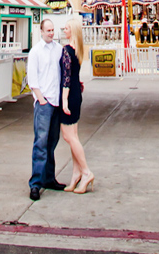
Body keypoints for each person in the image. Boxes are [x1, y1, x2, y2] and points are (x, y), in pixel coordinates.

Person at [26, 17, 65, 200]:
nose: (50, 33)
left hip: (57, 101)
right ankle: (35, 183)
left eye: (52, 30)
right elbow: (32, 79)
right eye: (47, 30)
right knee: (40, 142)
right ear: (41, 31)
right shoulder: (35, 52)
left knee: (52, 141)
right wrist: (40, 99)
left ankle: (49, 178)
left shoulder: (59, 50)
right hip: (45, 102)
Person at [59, 15, 95, 194]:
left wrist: (63, 100)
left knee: (69, 137)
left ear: (72, 30)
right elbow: (73, 75)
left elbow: (66, 78)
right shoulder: (78, 50)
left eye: (66, 28)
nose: (64, 30)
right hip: (76, 94)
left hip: (69, 95)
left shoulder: (66, 50)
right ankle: (75, 174)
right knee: (73, 136)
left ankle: (86, 172)